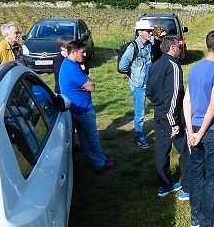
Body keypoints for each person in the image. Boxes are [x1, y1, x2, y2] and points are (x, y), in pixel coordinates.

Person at [183, 30, 214, 227]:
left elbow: (187, 101)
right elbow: (213, 108)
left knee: (197, 174)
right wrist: (200, 133)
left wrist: (189, 130)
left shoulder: (194, 69)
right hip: (210, 132)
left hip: (194, 130)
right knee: (212, 178)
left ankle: (196, 216)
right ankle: (206, 225)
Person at [59, 40, 115, 173]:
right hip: (82, 109)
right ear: (73, 52)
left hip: (75, 108)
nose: (84, 54)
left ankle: (98, 159)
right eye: (81, 52)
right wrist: (88, 84)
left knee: (85, 137)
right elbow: (91, 86)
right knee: (91, 137)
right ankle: (100, 164)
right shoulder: (72, 68)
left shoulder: (68, 64)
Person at [146, 36, 190, 201]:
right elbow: (174, 96)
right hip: (172, 116)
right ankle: (186, 189)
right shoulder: (174, 67)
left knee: (162, 150)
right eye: (178, 47)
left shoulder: (155, 64)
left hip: (158, 114)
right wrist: (174, 122)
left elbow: (148, 90)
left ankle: (163, 186)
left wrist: (157, 106)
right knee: (186, 150)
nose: (180, 49)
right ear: (172, 48)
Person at [119, 20, 153, 148]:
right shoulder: (133, 47)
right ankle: (140, 136)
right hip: (138, 85)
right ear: (139, 32)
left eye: (150, 31)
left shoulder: (150, 45)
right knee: (140, 113)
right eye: (147, 31)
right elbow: (123, 66)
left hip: (149, 84)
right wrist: (132, 75)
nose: (150, 33)